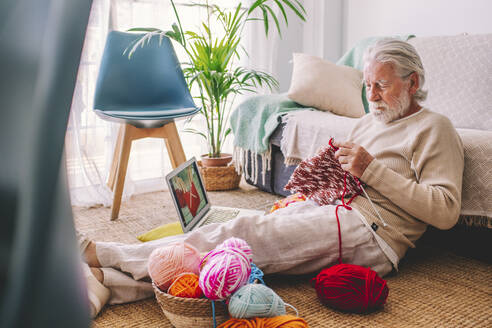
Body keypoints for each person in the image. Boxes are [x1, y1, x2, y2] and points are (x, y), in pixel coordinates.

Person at [80, 38, 464, 317]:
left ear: (412, 83)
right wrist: (311, 192)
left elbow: (445, 211)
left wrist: (372, 170)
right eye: (368, 85)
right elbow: (345, 175)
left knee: (247, 234)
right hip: (336, 208)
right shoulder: (369, 121)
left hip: (374, 233)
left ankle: (106, 253)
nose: (373, 95)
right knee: (242, 254)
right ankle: (110, 284)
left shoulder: (434, 128)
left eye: (382, 84)